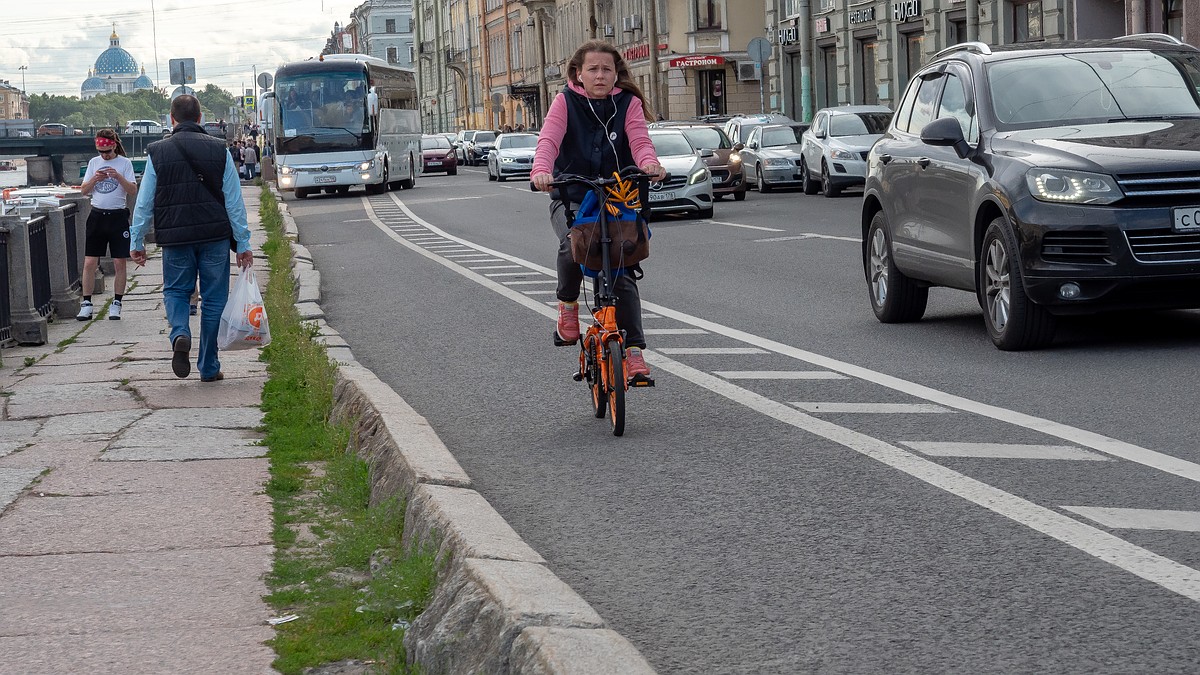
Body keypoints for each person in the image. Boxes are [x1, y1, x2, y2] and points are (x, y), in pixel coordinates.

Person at [530, 40, 665, 379]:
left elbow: (640, 140)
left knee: (622, 268)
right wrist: (541, 172)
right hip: (572, 196)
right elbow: (549, 140)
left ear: (616, 73)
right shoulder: (565, 101)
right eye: (593, 69)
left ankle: (634, 354)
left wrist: (649, 164)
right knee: (573, 244)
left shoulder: (627, 103)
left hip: (617, 197)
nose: (600, 75)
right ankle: (569, 308)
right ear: (579, 73)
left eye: (607, 69)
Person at [130, 94, 254, 383]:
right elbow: (234, 203)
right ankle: (209, 366)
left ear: (171, 119)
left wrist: (137, 240)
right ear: (200, 118)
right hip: (215, 237)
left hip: (176, 236)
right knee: (213, 301)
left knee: (175, 291)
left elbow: (144, 200)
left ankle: (180, 333)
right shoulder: (220, 150)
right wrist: (244, 244)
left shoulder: (157, 152)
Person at [77, 128, 138, 321]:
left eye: (107, 152)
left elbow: (132, 190)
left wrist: (117, 176)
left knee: (119, 261)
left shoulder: (125, 163)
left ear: (114, 147)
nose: (104, 156)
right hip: (97, 216)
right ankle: (86, 303)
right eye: (101, 153)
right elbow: (83, 191)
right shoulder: (94, 163)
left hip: (118, 216)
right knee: (89, 262)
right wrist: (95, 178)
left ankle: (117, 303)